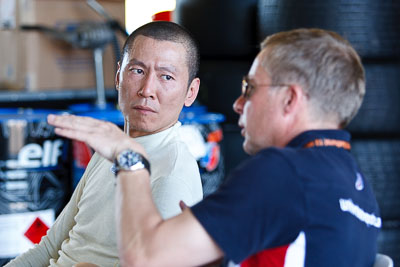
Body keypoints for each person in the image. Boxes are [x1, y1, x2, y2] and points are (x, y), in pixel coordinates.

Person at [47, 28, 381, 267]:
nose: (238, 103)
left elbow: (144, 258)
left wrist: (128, 156)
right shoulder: (357, 187)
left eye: (250, 88)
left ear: (290, 99)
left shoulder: (283, 171)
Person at [6, 21, 203, 267]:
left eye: (166, 76)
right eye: (138, 71)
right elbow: (50, 246)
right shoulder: (111, 147)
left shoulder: (173, 175)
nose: (147, 89)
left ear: (190, 92)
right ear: (118, 75)